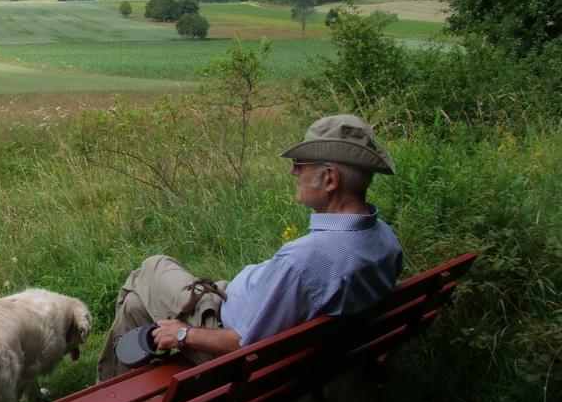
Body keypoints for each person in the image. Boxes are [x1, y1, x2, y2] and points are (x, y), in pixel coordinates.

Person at [96, 114, 403, 382]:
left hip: (228, 338)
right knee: (136, 306)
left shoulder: (303, 261)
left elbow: (245, 345)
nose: (293, 173)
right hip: (304, 349)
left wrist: (181, 333)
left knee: (149, 270)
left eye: (300, 165)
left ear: (331, 179)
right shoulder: (384, 240)